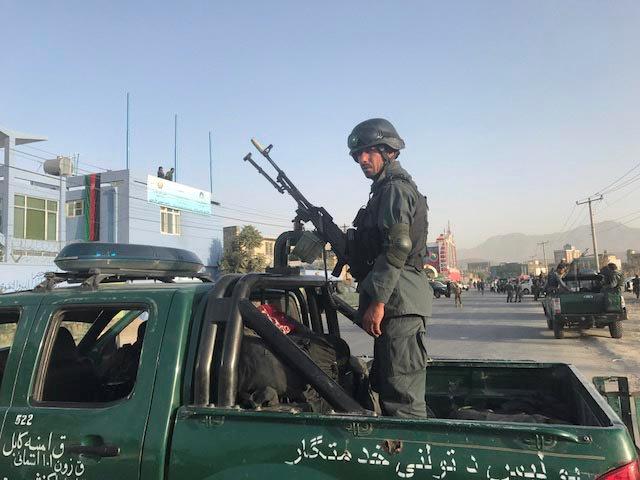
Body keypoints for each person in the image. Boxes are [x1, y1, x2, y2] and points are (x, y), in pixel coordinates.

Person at [349, 118, 430, 418]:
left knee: (403, 404)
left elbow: (398, 246)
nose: (362, 159)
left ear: (389, 151)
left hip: (399, 301)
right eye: (358, 154)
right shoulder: (384, 191)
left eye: (369, 151)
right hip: (397, 301)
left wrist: (379, 301)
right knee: (388, 389)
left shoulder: (395, 190)